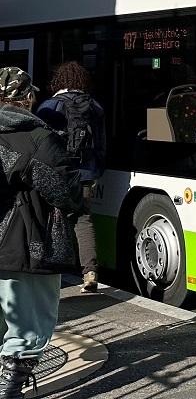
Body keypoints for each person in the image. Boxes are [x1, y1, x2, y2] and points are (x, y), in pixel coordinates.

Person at [0, 67, 83, 397]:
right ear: (27, 98)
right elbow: (65, 190)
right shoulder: (35, 136)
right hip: (24, 244)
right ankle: (10, 389)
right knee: (26, 329)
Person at [36, 61, 106, 294]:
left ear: (59, 81)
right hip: (86, 174)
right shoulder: (95, 107)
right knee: (83, 220)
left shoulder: (50, 105)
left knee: (53, 220)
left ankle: (53, 271)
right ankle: (90, 272)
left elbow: (41, 144)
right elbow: (102, 144)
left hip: (57, 173)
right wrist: (96, 171)